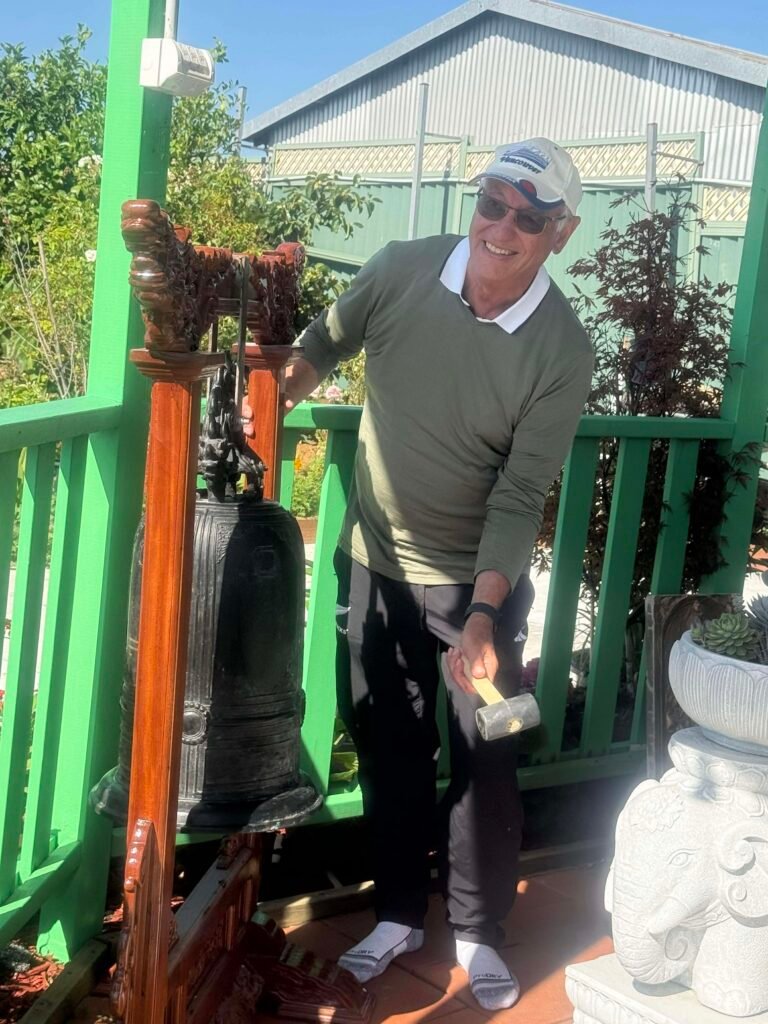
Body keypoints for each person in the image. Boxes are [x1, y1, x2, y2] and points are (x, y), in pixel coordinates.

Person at [284, 138, 593, 1010]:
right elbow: (321, 345)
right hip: (375, 565)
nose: (502, 227)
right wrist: (275, 391)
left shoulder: (563, 349)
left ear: (561, 232)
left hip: (475, 586)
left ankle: (478, 929)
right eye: (492, 203)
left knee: (486, 758)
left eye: (529, 217)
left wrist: (485, 616)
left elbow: (520, 493)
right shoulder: (401, 269)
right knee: (388, 745)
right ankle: (396, 914)